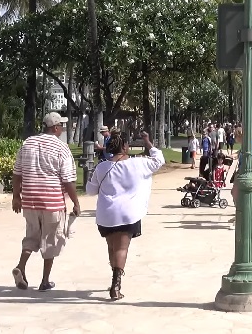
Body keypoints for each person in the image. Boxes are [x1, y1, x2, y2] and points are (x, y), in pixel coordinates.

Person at [86, 131, 164, 300]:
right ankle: (116, 284)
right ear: (125, 146)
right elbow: (159, 160)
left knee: (112, 247)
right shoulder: (138, 164)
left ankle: (114, 277)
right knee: (122, 248)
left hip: (106, 214)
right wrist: (147, 142)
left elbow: (90, 190)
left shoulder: (102, 167)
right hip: (128, 213)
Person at [11, 112, 81, 292]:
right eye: (62, 126)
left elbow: (17, 173)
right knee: (51, 240)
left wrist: (16, 196)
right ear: (56, 128)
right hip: (52, 201)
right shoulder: (61, 147)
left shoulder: (27, 143)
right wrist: (76, 202)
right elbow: (67, 180)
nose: (63, 129)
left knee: (31, 236)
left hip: (30, 200)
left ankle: (21, 266)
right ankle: (45, 281)